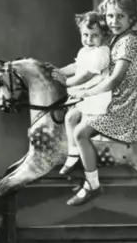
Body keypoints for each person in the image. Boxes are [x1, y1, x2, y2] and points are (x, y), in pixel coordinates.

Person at [62, 0, 137, 206]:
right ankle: (77, 162)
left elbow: (115, 79)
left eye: (120, 16)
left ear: (132, 18)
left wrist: (86, 92)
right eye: (110, 15)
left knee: (81, 133)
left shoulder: (129, 42)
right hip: (111, 97)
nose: (114, 21)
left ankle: (92, 185)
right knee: (72, 114)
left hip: (126, 102)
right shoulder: (114, 38)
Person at [57, 11, 113, 175]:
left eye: (94, 35)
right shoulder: (84, 51)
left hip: (97, 99)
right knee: (69, 117)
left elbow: (86, 75)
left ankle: (86, 160)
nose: (89, 40)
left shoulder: (102, 53)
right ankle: (73, 153)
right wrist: (57, 71)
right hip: (84, 99)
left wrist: (66, 82)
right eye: (85, 35)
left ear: (103, 34)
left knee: (81, 127)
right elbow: (76, 67)